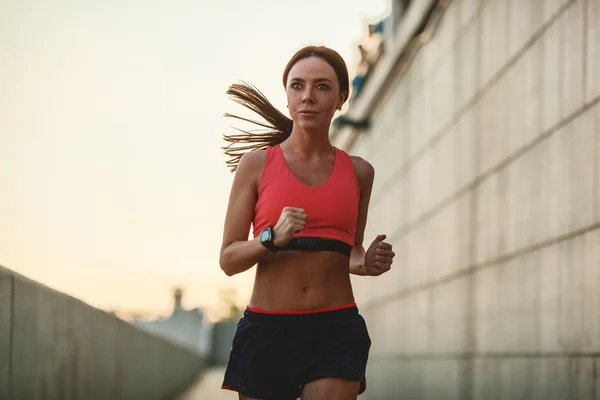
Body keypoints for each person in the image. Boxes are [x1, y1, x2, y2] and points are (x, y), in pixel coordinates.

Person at [219, 45, 395, 400]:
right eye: (297, 86)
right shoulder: (256, 165)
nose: (308, 97)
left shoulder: (359, 172)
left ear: (341, 98)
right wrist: (270, 237)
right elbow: (228, 259)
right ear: (286, 96)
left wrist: (367, 262)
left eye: (322, 87)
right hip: (268, 329)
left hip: (336, 329)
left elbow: (351, 252)